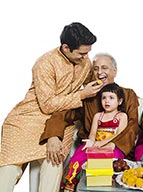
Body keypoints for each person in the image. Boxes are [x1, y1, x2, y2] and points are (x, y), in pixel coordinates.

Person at [0, 22, 99, 192]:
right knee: (8, 171)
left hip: (60, 121)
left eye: (88, 53)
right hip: (27, 119)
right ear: (66, 48)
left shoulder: (85, 62)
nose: (86, 58)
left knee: (54, 162)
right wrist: (81, 95)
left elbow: (94, 86)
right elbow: (47, 105)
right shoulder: (45, 63)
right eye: (82, 53)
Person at [39, 53, 139, 177]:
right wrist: (53, 136)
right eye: (96, 69)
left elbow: (132, 126)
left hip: (118, 147)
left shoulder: (128, 94)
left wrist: (113, 144)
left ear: (115, 70)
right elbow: (63, 114)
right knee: (75, 170)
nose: (99, 72)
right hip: (90, 147)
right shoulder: (88, 95)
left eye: (104, 68)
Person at [61, 83, 128, 191]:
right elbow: (92, 134)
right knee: (78, 158)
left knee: (111, 163)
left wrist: (102, 143)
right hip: (95, 145)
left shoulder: (121, 116)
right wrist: (91, 142)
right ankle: (70, 185)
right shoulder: (98, 116)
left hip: (111, 147)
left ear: (119, 101)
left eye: (111, 98)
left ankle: (108, 185)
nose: (107, 101)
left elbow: (119, 134)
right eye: (104, 98)